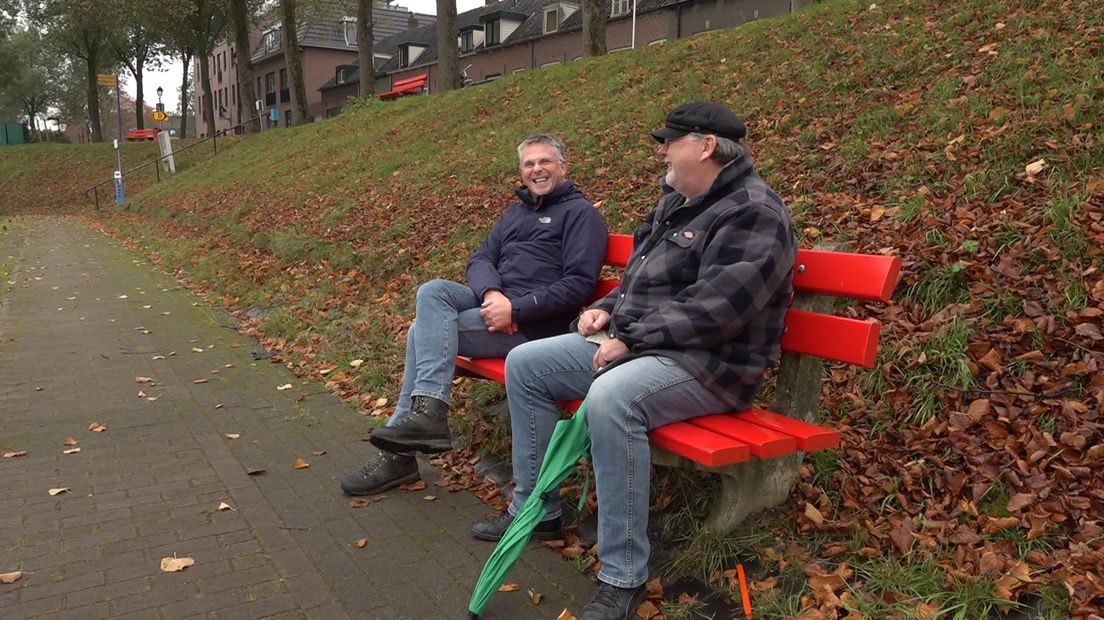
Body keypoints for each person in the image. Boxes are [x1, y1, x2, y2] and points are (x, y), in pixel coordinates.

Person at [479, 102, 797, 619]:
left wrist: (631, 338)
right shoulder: (677, 201)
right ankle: (537, 510)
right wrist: (604, 310)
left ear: (707, 146)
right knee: (526, 363)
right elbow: (637, 283)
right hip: (649, 345)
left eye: (671, 141)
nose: (662, 150)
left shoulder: (752, 211)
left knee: (610, 398)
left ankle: (623, 574)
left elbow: (721, 307)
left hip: (710, 366)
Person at [340, 133, 609, 496]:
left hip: (533, 327)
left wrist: (516, 308)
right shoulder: (515, 213)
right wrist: (493, 294)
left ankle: (406, 445)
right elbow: (481, 259)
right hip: (493, 305)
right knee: (433, 291)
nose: (537, 169)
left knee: (422, 331)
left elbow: (578, 284)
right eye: (529, 164)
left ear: (563, 166)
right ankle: (427, 414)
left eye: (545, 161)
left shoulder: (581, 215)